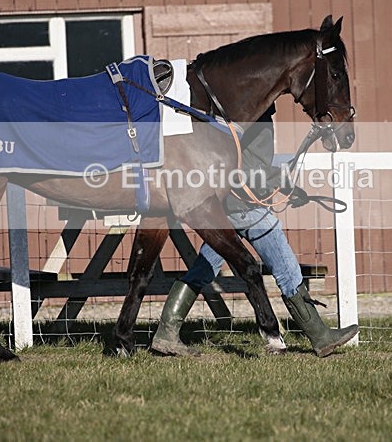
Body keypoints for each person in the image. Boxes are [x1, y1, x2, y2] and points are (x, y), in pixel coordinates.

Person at [151, 105, 359, 357]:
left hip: (225, 207)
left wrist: (287, 186)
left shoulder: (232, 115)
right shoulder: (254, 119)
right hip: (246, 208)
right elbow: (252, 170)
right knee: (286, 269)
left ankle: (166, 332)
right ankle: (320, 336)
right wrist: (286, 187)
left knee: (204, 269)